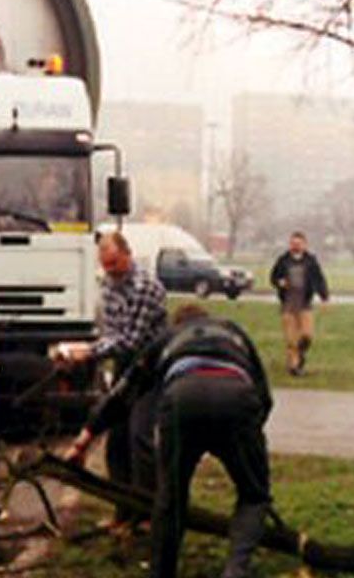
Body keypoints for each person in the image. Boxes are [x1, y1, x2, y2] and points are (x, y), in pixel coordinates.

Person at [67, 304, 274, 578]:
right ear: (209, 318)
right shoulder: (233, 332)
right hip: (236, 394)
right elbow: (264, 397)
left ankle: (162, 573)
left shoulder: (166, 339)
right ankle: (236, 570)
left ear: (176, 324)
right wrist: (245, 444)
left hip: (181, 399)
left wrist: (83, 440)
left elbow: (123, 394)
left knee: (170, 499)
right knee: (254, 495)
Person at [90, 230, 168, 526]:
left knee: (140, 437)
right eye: (105, 265)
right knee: (116, 440)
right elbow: (111, 334)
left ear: (127, 254)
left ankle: (150, 512)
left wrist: (88, 351)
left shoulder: (146, 287)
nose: (109, 272)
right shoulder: (109, 285)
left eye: (114, 264)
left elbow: (132, 341)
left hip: (150, 367)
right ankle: (123, 511)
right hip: (124, 366)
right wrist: (95, 350)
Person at [269, 231, 330, 376]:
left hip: (305, 304)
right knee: (291, 339)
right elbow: (273, 277)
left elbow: (319, 279)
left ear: (304, 244)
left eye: (298, 243)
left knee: (307, 336)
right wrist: (279, 282)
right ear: (290, 244)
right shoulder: (283, 260)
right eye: (293, 243)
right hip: (288, 305)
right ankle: (294, 367)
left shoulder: (311, 261)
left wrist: (324, 296)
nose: (295, 246)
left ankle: (300, 354)